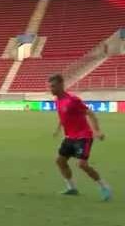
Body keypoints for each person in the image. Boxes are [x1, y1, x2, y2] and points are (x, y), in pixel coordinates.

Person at [48, 73, 111, 201]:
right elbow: (63, 116)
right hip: (69, 137)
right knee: (60, 161)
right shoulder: (58, 100)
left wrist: (97, 131)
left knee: (82, 164)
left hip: (83, 136)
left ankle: (104, 187)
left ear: (61, 85)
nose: (51, 89)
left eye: (53, 86)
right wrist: (58, 128)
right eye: (50, 86)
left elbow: (91, 114)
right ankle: (72, 188)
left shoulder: (73, 100)